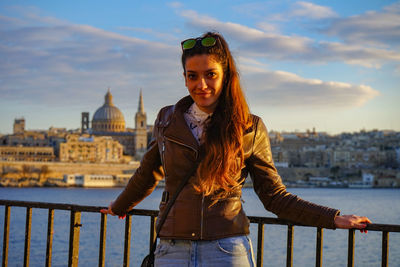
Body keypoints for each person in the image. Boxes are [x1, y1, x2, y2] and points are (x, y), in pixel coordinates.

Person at [101, 32, 371, 266]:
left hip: (226, 250)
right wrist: (120, 205)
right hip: (172, 249)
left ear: (226, 76)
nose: (201, 84)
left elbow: (274, 196)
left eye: (210, 75)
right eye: (192, 76)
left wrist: (333, 218)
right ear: (184, 78)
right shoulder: (166, 119)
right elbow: (147, 174)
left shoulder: (249, 127)